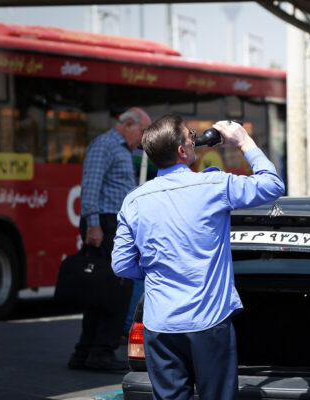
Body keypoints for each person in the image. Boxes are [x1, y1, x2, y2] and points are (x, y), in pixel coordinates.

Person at [112, 115, 284, 400]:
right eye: (190, 135)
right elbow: (272, 185)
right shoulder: (214, 185)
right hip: (209, 322)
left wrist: (158, 270)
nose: (195, 138)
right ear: (182, 151)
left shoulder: (134, 200)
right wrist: (244, 141)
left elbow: (121, 264)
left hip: (160, 325)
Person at [68, 107, 152, 371]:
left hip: (111, 223)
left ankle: (85, 352)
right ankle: (100, 351)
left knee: (100, 292)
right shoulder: (105, 144)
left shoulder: (124, 151)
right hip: (104, 224)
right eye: (141, 131)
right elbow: (90, 187)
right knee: (115, 290)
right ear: (127, 124)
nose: (142, 138)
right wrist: (93, 225)